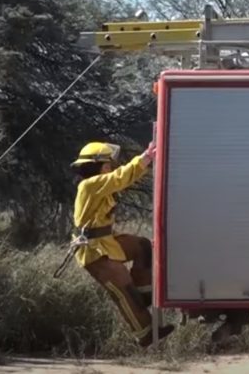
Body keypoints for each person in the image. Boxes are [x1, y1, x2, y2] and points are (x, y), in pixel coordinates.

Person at [70, 141, 175, 347]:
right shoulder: (89, 186)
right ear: (101, 166)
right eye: (109, 164)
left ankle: (144, 292)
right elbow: (120, 177)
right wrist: (146, 157)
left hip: (106, 241)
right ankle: (145, 333)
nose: (112, 167)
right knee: (125, 291)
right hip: (93, 251)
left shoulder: (99, 185)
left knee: (142, 246)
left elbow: (119, 181)